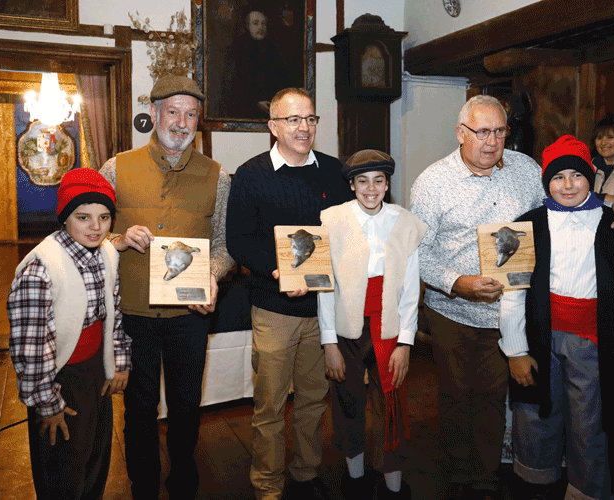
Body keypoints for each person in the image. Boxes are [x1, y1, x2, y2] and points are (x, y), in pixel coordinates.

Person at [409, 95, 614, 500]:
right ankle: (459, 475)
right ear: (461, 133)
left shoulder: (526, 169)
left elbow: (565, 200)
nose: (492, 141)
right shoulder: (432, 182)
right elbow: (418, 254)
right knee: (457, 396)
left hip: (515, 311)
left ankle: (487, 477)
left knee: (500, 399)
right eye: (482, 132)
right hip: (456, 311)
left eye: (500, 131)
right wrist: (458, 282)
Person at [98, 75, 234, 500]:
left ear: (199, 121)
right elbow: (84, 236)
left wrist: (212, 273)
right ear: (154, 114)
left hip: (188, 318)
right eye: (172, 111)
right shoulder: (116, 168)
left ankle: (183, 481)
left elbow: (224, 246)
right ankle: (142, 486)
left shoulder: (218, 176)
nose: (181, 122)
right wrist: (116, 241)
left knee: (186, 408)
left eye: (190, 114)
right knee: (138, 410)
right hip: (132, 314)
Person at [499, 135, 614, 499]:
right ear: (546, 182)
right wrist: (516, 350)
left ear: (591, 177)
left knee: (590, 422)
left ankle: (585, 490)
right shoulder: (524, 225)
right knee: (536, 413)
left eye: (576, 176)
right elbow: (512, 292)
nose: (568, 185)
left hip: (593, 342)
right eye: (558, 177)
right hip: (540, 338)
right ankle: (537, 482)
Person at [226, 87, 352, 500]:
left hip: (322, 309)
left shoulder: (335, 173)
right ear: (273, 126)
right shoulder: (250, 174)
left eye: (310, 119)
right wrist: (278, 269)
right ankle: (267, 483)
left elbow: (347, 236)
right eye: (293, 120)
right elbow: (238, 242)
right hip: (273, 309)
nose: (304, 128)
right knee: (270, 406)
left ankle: (306, 472)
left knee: (314, 399)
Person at [7, 167, 131, 500]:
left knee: (94, 456)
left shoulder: (105, 252)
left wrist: (117, 361)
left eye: (104, 217)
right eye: (83, 217)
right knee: (64, 465)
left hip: (94, 371)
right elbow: (31, 347)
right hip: (61, 377)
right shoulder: (40, 267)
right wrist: (47, 404)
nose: (96, 227)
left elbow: (113, 313)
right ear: (65, 217)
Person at [318, 150, 427, 500]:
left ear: (388, 184)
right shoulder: (331, 221)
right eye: (362, 181)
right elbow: (324, 285)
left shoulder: (404, 222)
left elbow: (410, 289)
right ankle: (355, 478)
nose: (371, 189)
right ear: (351, 185)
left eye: (379, 180)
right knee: (348, 401)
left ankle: (393, 483)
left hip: (388, 326)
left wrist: (405, 343)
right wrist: (329, 342)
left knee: (391, 403)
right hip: (346, 328)